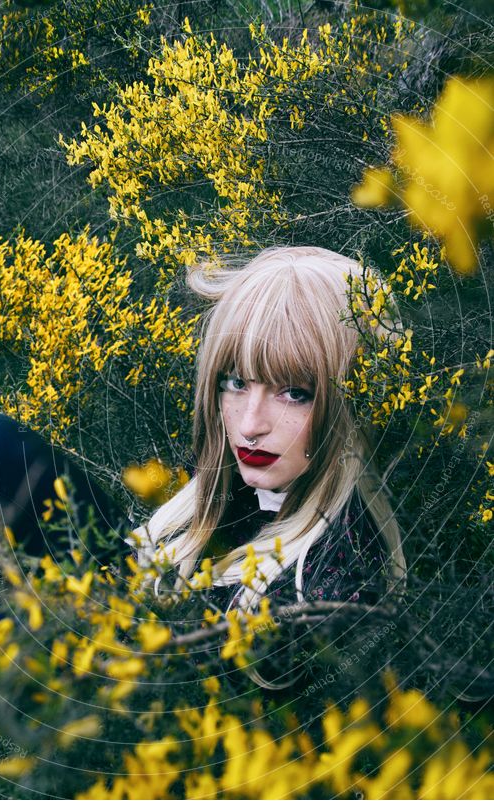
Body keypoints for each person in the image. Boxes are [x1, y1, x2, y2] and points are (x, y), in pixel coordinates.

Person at [127, 246, 407, 689]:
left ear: (353, 405)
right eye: (236, 382)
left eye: (294, 392)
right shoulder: (219, 494)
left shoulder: (330, 589)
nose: (250, 426)